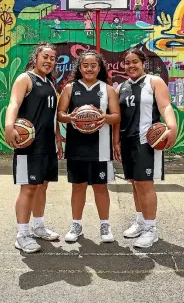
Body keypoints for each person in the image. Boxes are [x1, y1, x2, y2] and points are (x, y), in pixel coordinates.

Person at [114, 47, 178, 248]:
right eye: (127, 62)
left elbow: (165, 106)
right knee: (134, 183)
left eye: (135, 61)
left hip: (146, 142)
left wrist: (172, 126)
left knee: (145, 184)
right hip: (127, 141)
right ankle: (141, 221)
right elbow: (117, 119)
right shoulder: (120, 88)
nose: (131, 65)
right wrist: (116, 141)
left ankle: (151, 229)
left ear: (143, 63)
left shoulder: (154, 82)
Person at [5, 43, 63, 254]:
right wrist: (9, 126)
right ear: (36, 57)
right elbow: (14, 103)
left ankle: (38, 226)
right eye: (45, 57)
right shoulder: (25, 79)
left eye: (53, 58)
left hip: (47, 144)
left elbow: (51, 115)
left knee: (42, 186)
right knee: (28, 188)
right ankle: (22, 234)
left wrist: (58, 137)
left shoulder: (49, 82)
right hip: (28, 145)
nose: (49, 61)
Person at [57, 50, 120, 243]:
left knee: (101, 187)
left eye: (93, 65)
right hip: (77, 147)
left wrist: (104, 117)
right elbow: (60, 114)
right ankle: (76, 224)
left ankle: (105, 225)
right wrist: (71, 117)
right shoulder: (70, 88)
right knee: (78, 187)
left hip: (100, 148)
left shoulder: (107, 89)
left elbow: (117, 117)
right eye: (85, 65)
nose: (89, 68)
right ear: (80, 67)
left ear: (99, 68)